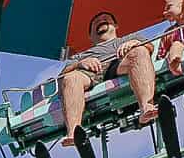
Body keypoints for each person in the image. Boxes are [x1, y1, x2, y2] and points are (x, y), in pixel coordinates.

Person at [59, 11, 157, 148]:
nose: (101, 20)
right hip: (90, 73)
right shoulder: (80, 55)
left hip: (119, 63)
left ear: (115, 26)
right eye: (96, 22)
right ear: (90, 35)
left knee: (140, 52)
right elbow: (62, 75)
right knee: (70, 78)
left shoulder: (130, 38)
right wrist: (80, 63)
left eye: (106, 19)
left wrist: (133, 44)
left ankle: (147, 106)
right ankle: (73, 132)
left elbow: (149, 47)